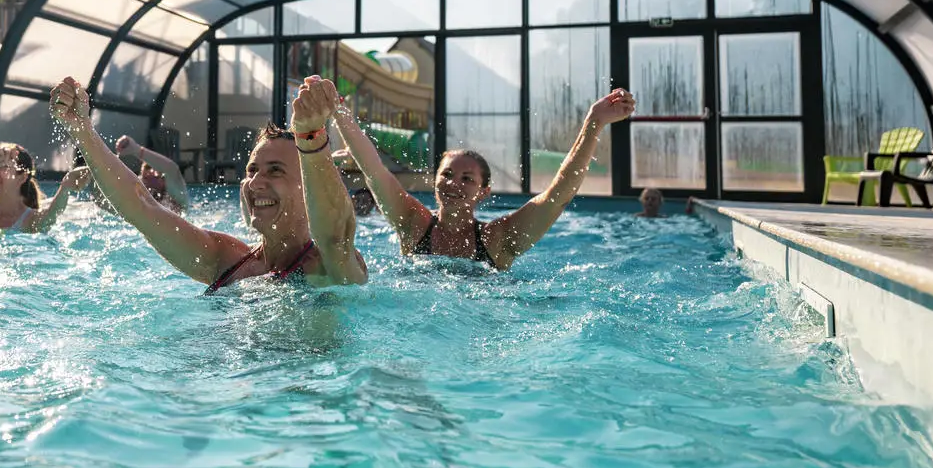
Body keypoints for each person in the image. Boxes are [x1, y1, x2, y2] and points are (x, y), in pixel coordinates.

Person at [49, 74, 367, 291]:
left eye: (275, 171)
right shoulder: (225, 259)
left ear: (307, 187)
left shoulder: (329, 267)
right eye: (252, 170)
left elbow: (336, 235)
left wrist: (311, 137)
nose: (255, 182)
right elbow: (140, 207)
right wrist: (81, 129)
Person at [331, 88, 636, 270]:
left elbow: (557, 196)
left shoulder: (498, 239)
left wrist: (593, 123)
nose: (453, 184)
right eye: (447, 175)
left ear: (484, 191)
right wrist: (339, 112)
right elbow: (374, 170)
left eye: (467, 179)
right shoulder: (414, 224)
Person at [113, 135, 190, 212]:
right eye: (146, 178)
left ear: (164, 181)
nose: (152, 173)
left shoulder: (178, 197)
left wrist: (136, 150)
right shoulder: (137, 196)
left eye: (156, 177)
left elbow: (172, 169)